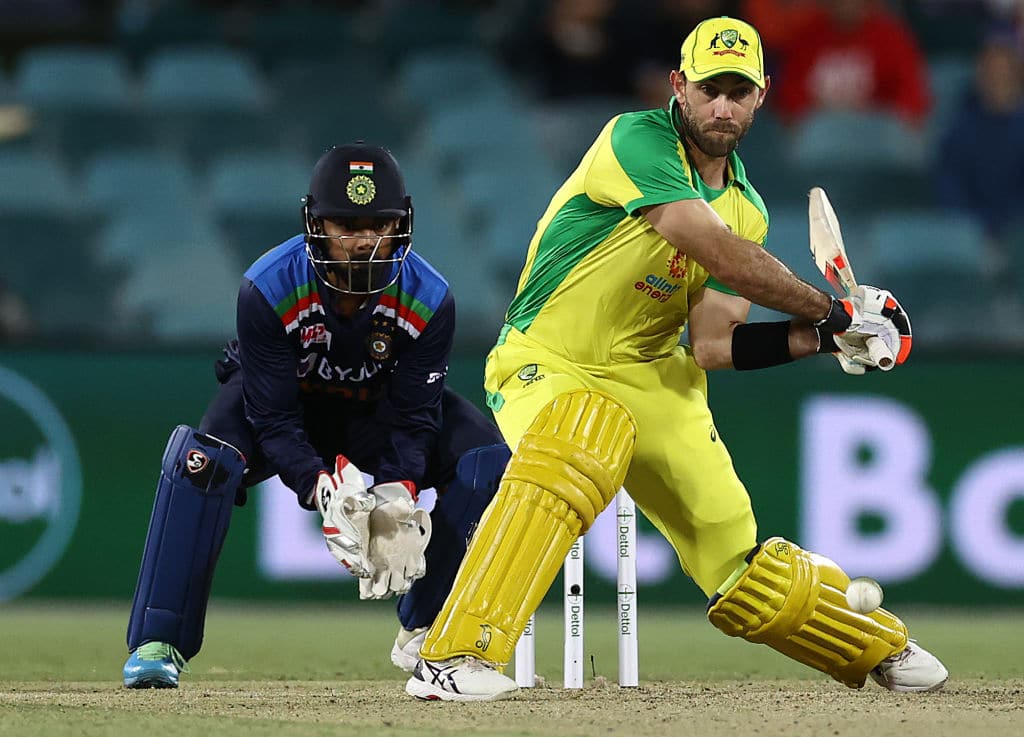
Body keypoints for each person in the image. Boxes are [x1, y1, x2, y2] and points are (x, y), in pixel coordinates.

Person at [403, 16, 946, 702]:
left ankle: (878, 645)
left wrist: (823, 339)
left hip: (657, 377)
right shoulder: (636, 139)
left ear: (761, 96)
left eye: (738, 91)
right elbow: (711, 247)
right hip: (550, 356)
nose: (722, 105)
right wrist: (830, 310)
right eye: (709, 88)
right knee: (581, 432)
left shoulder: (746, 208)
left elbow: (715, 344)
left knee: (741, 566)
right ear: (678, 87)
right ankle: (453, 656)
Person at [122, 142, 509, 688]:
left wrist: (399, 492)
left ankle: (428, 630)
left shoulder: (429, 296)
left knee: (488, 462)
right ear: (315, 225)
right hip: (291, 407)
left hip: (377, 411)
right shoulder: (269, 285)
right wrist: (321, 489)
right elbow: (273, 417)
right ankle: (159, 641)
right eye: (345, 225)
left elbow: (416, 415)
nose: (364, 241)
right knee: (200, 462)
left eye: (378, 224)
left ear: (402, 225)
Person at [935, 27, 1024, 267]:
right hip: (968, 237)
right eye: (990, 65)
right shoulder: (960, 128)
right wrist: (976, 231)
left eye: (1004, 66)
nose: (997, 74)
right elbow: (949, 186)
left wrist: (1007, 229)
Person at [771, 0, 931, 127]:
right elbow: (789, 98)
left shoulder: (890, 36)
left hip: (875, 130)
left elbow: (912, 96)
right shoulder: (807, 37)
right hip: (823, 134)